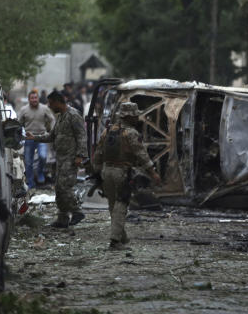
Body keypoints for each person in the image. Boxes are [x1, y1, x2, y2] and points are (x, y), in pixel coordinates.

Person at [91, 102, 161, 250]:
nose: (137, 118)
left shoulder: (107, 131)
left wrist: (97, 173)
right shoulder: (131, 133)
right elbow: (142, 155)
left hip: (106, 171)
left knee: (112, 205)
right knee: (121, 206)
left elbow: (97, 153)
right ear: (129, 116)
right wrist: (153, 173)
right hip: (122, 172)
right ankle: (115, 241)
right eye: (135, 115)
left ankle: (121, 237)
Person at [27, 90, 88, 228]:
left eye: (51, 103)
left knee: (64, 187)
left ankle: (77, 212)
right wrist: (34, 137)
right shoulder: (61, 117)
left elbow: (82, 136)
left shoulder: (73, 115)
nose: (49, 106)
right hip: (61, 158)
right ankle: (63, 218)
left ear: (57, 102)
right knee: (59, 189)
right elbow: (51, 136)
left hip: (71, 158)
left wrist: (80, 155)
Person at [17, 89, 55, 189]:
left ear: (38, 98)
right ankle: (30, 182)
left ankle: (40, 172)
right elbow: (18, 124)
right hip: (29, 138)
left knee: (43, 156)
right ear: (29, 99)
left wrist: (51, 131)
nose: (34, 100)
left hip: (42, 137)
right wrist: (20, 134)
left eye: (36, 98)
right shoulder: (23, 110)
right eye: (32, 98)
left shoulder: (44, 108)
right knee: (28, 162)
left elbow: (52, 119)